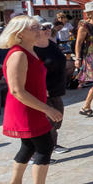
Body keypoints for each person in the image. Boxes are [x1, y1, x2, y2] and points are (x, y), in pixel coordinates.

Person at [0, 15, 64, 184]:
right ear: (20, 33)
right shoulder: (19, 54)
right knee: (45, 147)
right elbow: (17, 90)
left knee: (28, 146)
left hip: (31, 107)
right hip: (27, 110)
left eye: (39, 27)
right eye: (34, 28)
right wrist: (48, 109)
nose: (39, 30)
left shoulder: (29, 50)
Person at [33, 16, 69, 155]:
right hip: (43, 91)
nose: (48, 30)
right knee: (46, 122)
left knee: (57, 120)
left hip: (56, 89)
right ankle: (39, 153)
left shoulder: (51, 43)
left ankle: (52, 145)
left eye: (49, 27)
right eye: (43, 28)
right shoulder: (33, 49)